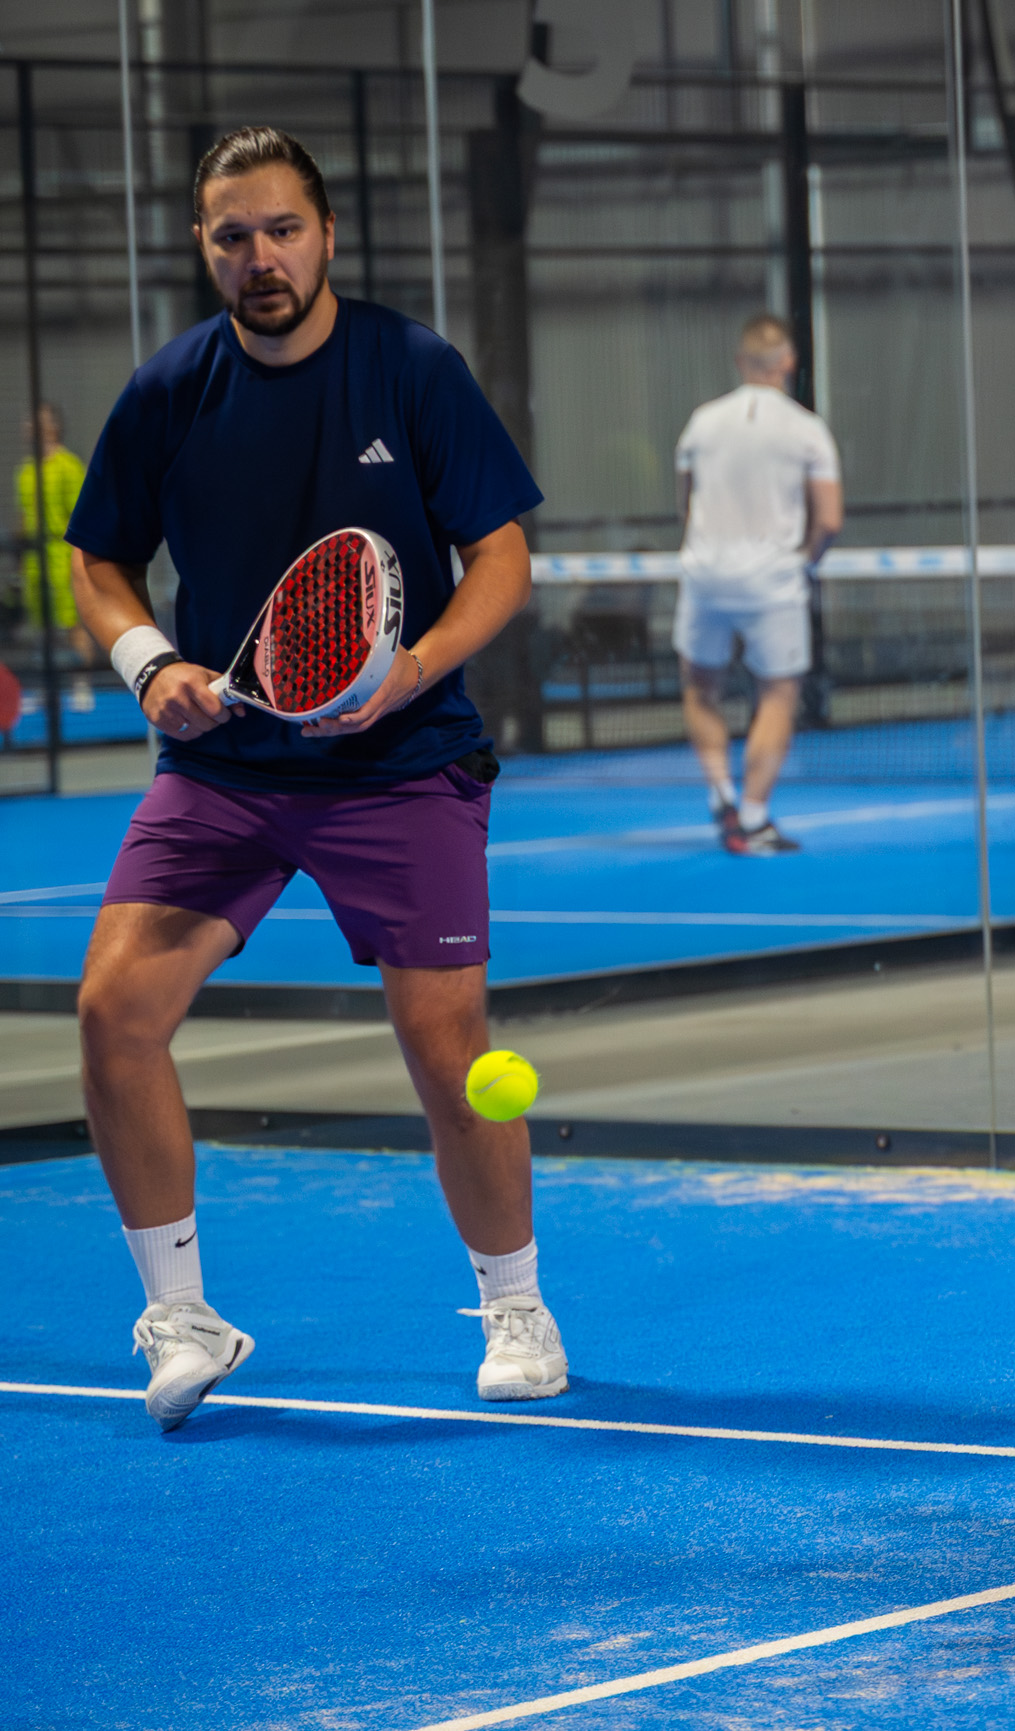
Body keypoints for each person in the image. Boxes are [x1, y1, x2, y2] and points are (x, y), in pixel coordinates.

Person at [67, 126, 564, 1432]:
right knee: (114, 1011)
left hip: (402, 764)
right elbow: (99, 560)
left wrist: (413, 671)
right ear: (204, 247)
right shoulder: (170, 390)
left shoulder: (411, 369)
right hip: (224, 768)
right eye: (232, 236)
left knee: (447, 1050)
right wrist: (149, 663)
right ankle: (182, 1318)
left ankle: (515, 1304)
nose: (261, 257)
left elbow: (502, 556)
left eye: (282, 229)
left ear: (327, 234)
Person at [672, 312, 843, 855]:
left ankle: (722, 793)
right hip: (773, 581)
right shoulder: (807, 429)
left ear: (740, 361)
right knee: (777, 695)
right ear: (788, 362)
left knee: (700, 688)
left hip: (705, 576)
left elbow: (685, 502)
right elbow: (830, 520)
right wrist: (805, 561)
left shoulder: (700, 423)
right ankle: (752, 816)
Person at [17, 402, 96, 668]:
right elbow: (24, 515)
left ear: (53, 426)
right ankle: (49, 678)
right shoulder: (26, 470)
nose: (29, 425)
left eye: (36, 419)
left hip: (62, 556)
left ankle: (83, 682)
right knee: (43, 626)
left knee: (72, 622)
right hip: (35, 560)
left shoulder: (69, 465)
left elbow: (81, 516)